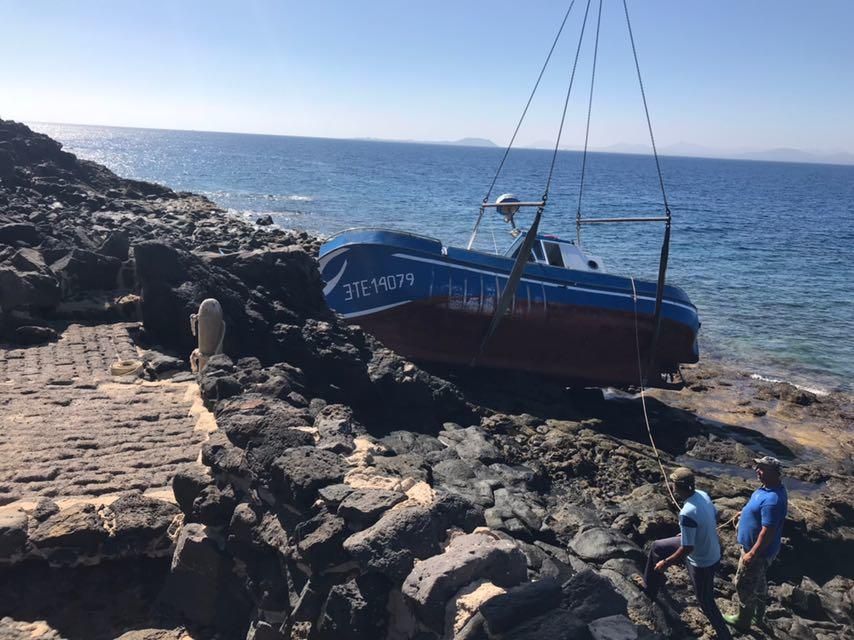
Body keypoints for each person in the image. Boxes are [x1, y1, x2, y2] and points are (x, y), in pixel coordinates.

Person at [643, 467, 732, 640]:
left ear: (678, 486)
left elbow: (687, 549)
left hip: (703, 560)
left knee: (706, 603)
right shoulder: (702, 495)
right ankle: (651, 588)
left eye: (673, 483)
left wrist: (666, 563)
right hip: (698, 546)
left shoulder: (686, 513)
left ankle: (725, 636)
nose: (671, 485)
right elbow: (714, 514)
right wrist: (689, 533)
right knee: (657, 547)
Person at [724, 455, 788, 631]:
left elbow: (768, 532)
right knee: (759, 581)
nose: (756, 471)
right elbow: (756, 508)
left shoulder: (773, 500)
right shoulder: (767, 488)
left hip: (757, 552)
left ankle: (743, 619)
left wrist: (752, 553)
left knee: (742, 583)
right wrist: (743, 513)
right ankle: (759, 615)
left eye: (761, 468)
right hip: (759, 551)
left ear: (773, 473)